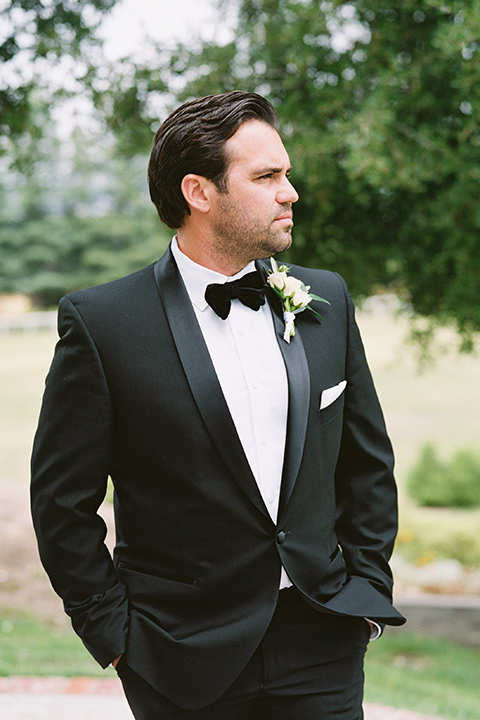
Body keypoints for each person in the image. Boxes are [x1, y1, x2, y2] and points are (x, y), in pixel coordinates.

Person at [31, 91, 405, 720]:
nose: (290, 192)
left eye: (286, 173)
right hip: (179, 654)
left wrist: (365, 593)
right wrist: (115, 637)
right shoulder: (103, 325)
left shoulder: (327, 301)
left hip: (322, 640)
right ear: (199, 193)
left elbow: (367, 465)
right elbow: (62, 504)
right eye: (266, 177)